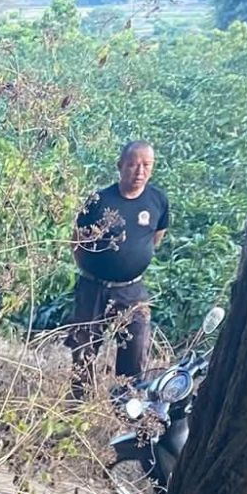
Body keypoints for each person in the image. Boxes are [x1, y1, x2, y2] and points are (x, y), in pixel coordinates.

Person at [68, 141, 169, 395]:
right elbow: (77, 241)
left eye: (147, 165)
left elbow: (156, 237)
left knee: (134, 350)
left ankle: (127, 406)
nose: (140, 172)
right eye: (133, 164)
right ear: (120, 165)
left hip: (132, 290)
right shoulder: (99, 200)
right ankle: (78, 406)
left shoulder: (157, 200)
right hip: (93, 288)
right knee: (83, 349)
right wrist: (95, 270)